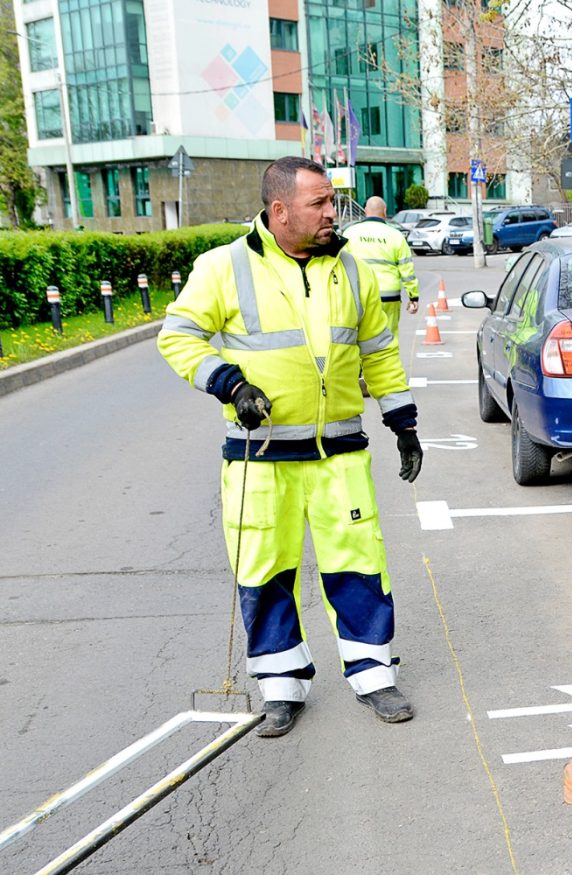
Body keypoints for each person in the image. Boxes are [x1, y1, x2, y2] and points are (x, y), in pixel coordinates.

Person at [158, 156, 424, 737]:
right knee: (265, 572)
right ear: (280, 211)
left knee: (358, 566)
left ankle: (374, 675)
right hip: (261, 458)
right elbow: (177, 336)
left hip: (339, 454)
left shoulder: (351, 269)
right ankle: (280, 688)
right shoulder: (223, 267)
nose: (333, 213)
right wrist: (229, 383)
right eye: (320, 204)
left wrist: (402, 421)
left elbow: (377, 351)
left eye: (332, 202)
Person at [346, 195, 419, 333]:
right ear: (385, 211)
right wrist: (413, 296)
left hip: (359, 295)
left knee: (360, 337)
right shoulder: (396, 235)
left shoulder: (350, 233)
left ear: (366, 211)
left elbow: (341, 265)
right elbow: (407, 270)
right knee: (389, 337)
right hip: (389, 296)